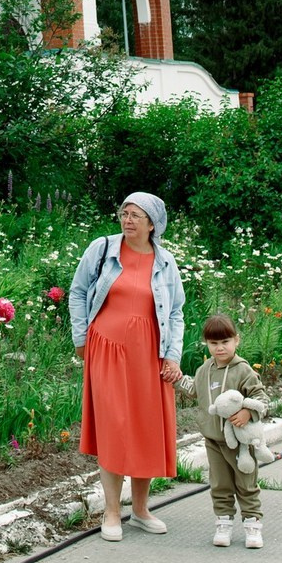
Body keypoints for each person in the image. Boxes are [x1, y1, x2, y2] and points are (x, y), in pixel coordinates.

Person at [69, 192, 184, 542]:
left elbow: (176, 311)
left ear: (152, 224)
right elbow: (78, 291)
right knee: (115, 426)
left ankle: (141, 509)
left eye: (136, 215)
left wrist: (173, 355)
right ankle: (112, 511)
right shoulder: (102, 248)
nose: (128, 220)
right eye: (124, 213)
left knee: (146, 427)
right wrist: (81, 337)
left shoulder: (166, 262)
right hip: (107, 348)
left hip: (150, 353)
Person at [179, 312, 269, 549]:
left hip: (241, 445)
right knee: (219, 484)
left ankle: (252, 524)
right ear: (207, 343)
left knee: (246, 483)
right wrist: (176, 379)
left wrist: (248, 413)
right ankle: (223, 522)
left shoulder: (243, 371)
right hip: (214, 441)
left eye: (225, 342)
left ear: (236, 340)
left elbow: (261, 397)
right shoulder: (204, 370)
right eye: (214, 343)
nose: (220, 348)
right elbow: (193, 391)